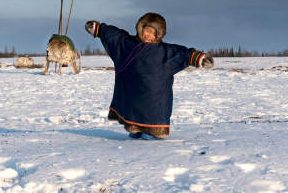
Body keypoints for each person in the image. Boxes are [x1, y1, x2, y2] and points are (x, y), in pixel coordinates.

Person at [85, 12, 214, 140]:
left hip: (155, 102)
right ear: (141, 28)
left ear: (159, 35)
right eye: (148, 31)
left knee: (149, 137)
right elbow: (114, 36)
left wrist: (199, 58)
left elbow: (182, 54)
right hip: (132, 98)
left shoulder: (164, 52)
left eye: (154, 33)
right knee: (134, 129)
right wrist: (98, 29)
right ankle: (135, 133)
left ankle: (150, 144)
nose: (150, 36)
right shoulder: (127, 45)